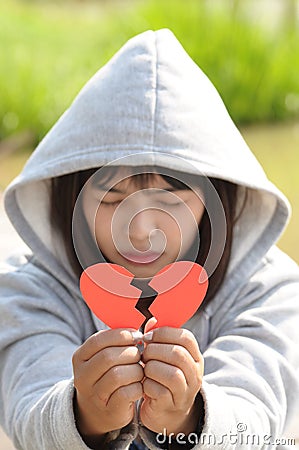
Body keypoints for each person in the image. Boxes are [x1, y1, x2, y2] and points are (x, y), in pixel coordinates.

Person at [0, 28, 298, 450]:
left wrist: (190, 417)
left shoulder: (271, 292)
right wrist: (84, 414)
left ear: (220, 195)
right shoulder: (27, 291)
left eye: (172, 197)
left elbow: (259, 419)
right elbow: (27, 413)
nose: (141, 232)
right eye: (112, 197)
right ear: (70, 197)